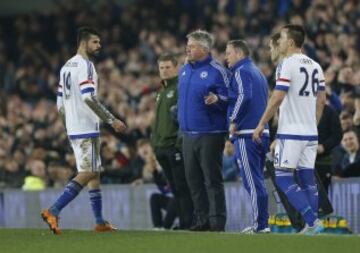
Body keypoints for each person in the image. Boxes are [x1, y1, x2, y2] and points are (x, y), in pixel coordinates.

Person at [41, 27, 126, 235]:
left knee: (94, 172)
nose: (99, 46)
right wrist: (111, 119)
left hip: (74, 127)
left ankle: (99, 221)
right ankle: (54, 210)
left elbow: (60, 103)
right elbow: (89, 97)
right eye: (95, 42)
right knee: (88, 172)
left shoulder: (65, 67)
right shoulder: (86, 65)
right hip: (87, 127)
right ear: (83, 43)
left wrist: (68, 125)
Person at [253, 24, 327, 235]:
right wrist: (313, 123)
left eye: (282, 38)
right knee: (306, 179)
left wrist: (261, 124)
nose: (279, 41)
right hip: (310, 132)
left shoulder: (287, 64)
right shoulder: (316, 66)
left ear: (291, 42)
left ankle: (313, 222)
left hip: (291, 132)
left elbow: (277, 97)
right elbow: (321, 100)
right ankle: (312, 227)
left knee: (283, 177)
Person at [178, 30, 228, 231]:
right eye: (187, 45)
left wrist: (218, 100)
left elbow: (230, 99)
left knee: (211, 180)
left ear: (204, 49)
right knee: (193, 180)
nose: (187, 49)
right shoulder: (184, 69)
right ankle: (201, 220)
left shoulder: (218, 71)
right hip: (187, 134)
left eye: (191, 46)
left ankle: (216, 222)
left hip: (211, 133)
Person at [225, 40, 270, 233]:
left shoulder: (241, 71)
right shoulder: (257, 71)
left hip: (247, 134)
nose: (226, 57)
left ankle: (259, 225)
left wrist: (233, 119)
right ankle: (262, 223)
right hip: (261, 132)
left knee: (251, 181)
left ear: (238, 53)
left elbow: (244, 96)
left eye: (228, 53)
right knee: (257, 180)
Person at [151, 52, 193, 229]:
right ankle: (183, 224)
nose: (164, 71)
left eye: (168, 67)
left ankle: (187, 224)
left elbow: (183, 118)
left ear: (176, 67)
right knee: (175, 189)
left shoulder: (180, 88)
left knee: (182, 187)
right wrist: (154, 142)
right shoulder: (161, 91)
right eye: (161, 68)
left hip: (173, 146)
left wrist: (178, 145)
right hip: (161, 147)